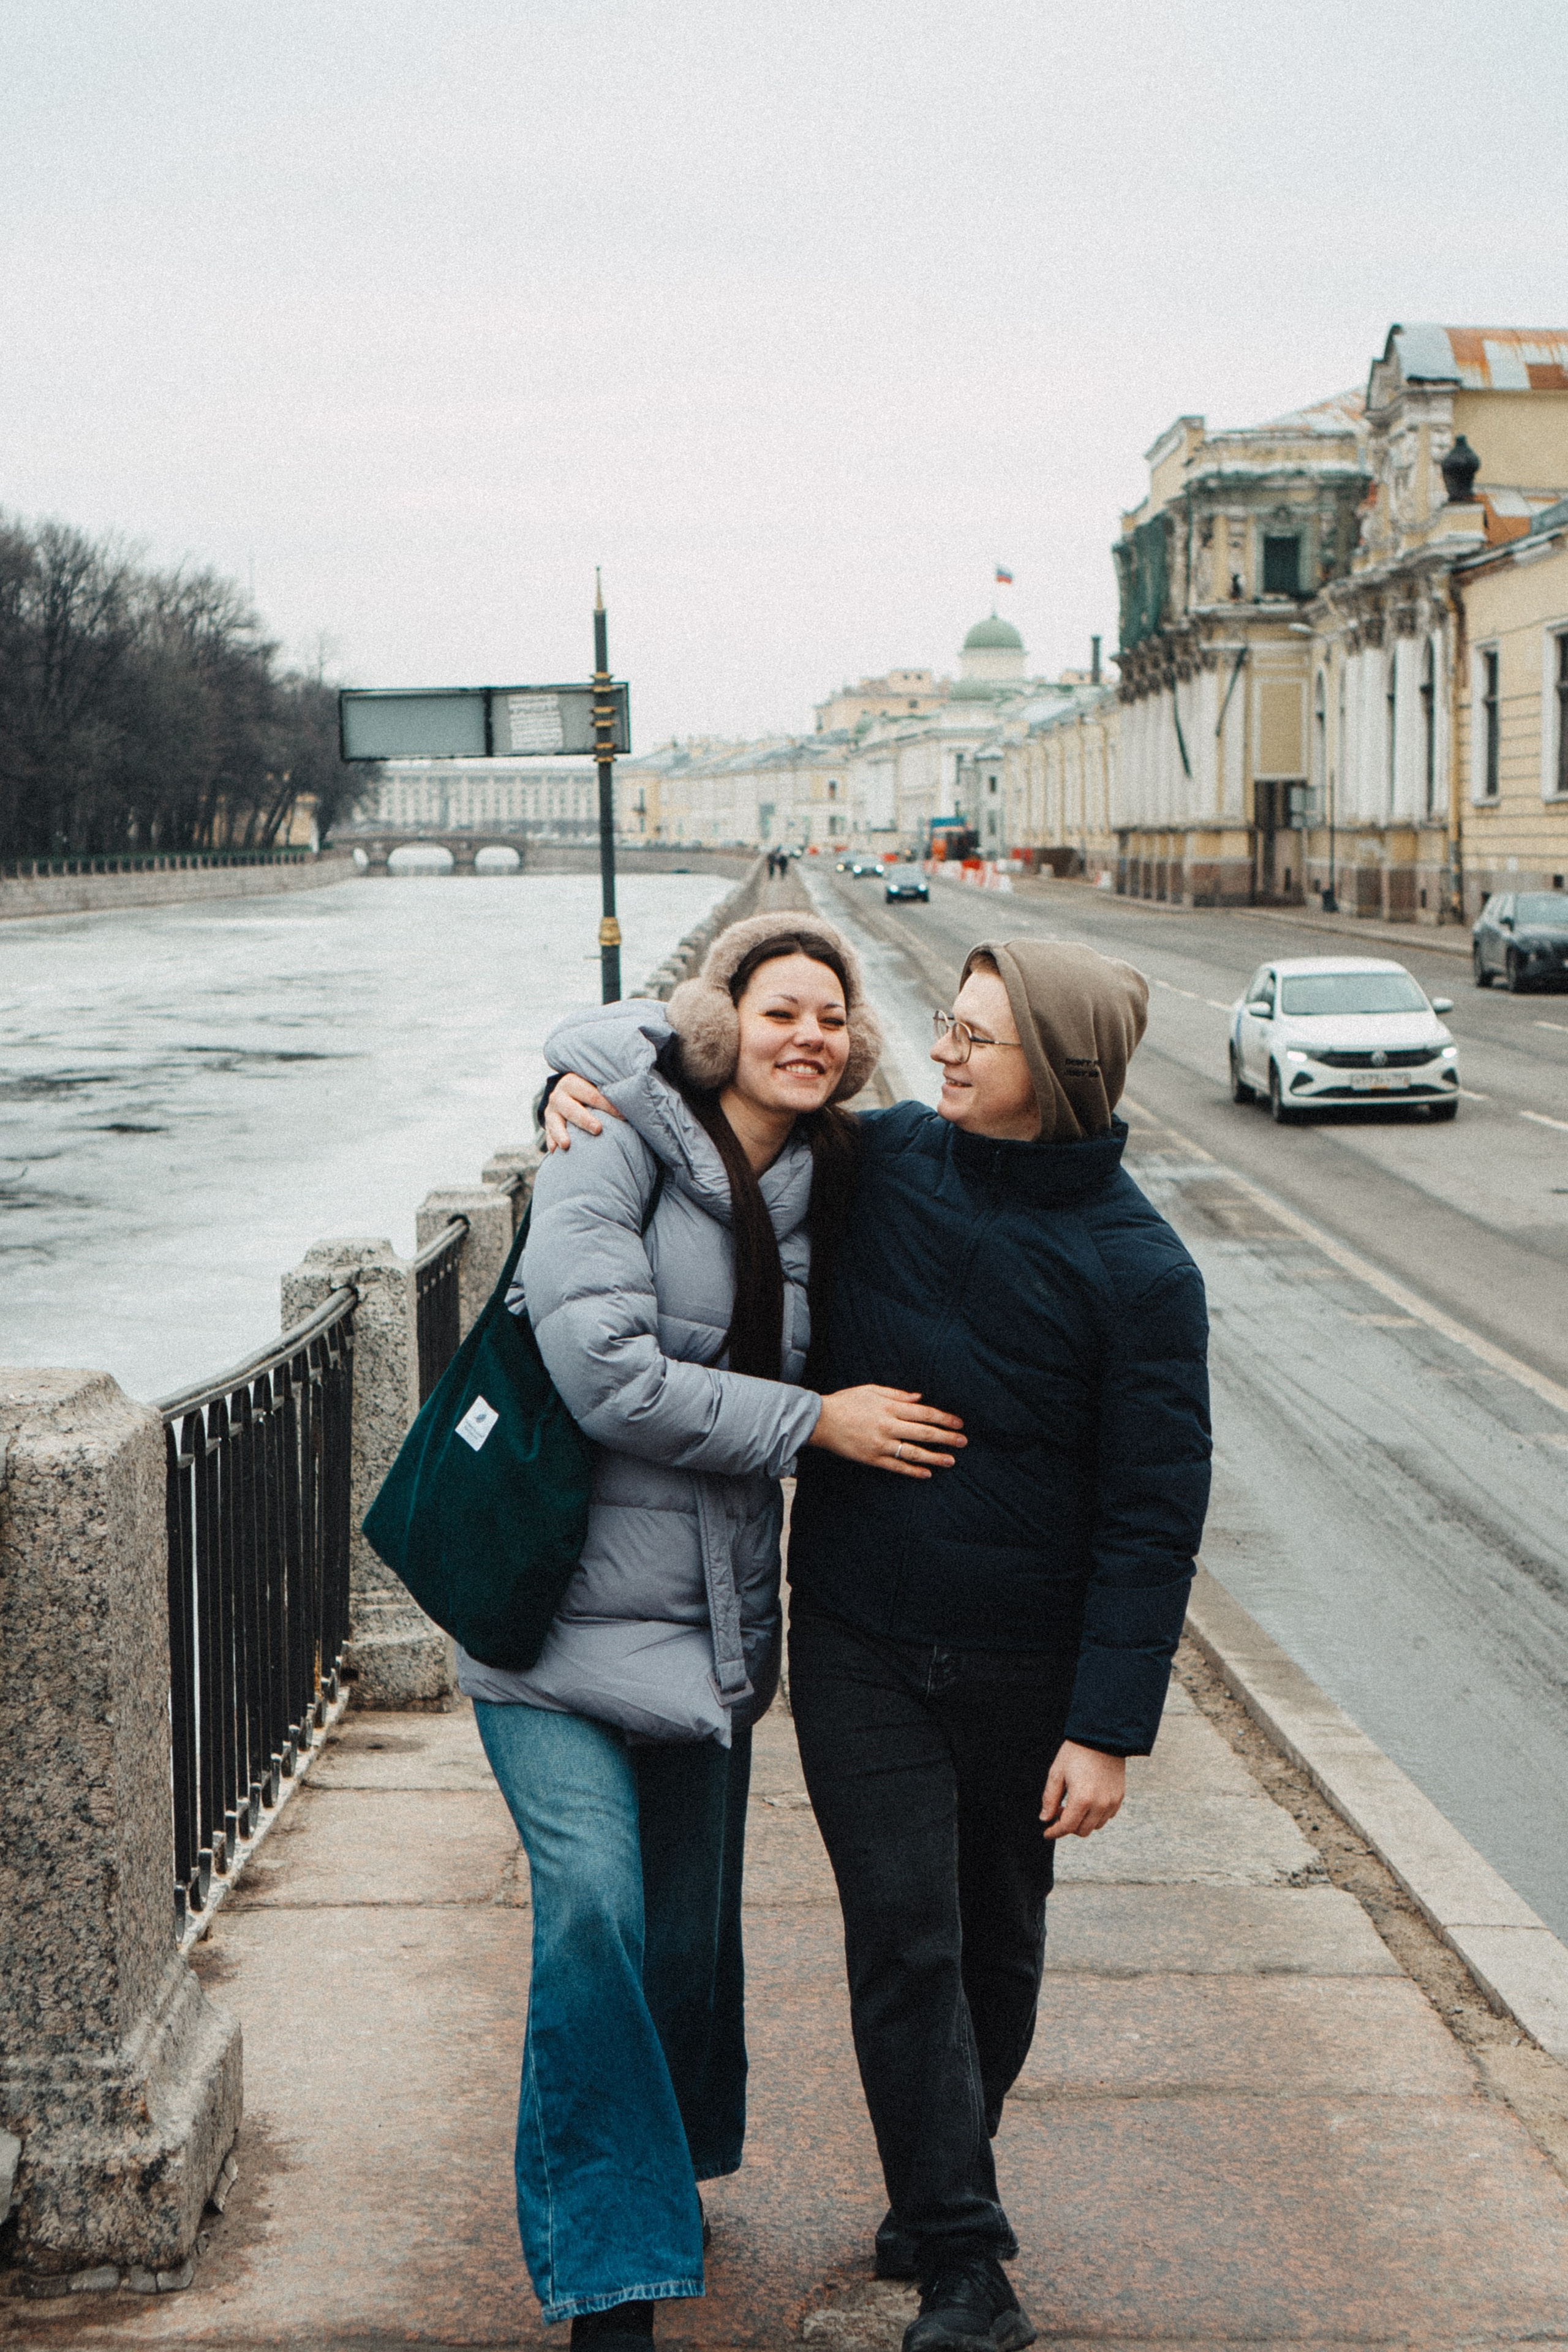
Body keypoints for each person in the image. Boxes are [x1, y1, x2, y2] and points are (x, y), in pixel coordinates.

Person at [546, 933, 1210, 2352]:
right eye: (946, 1030)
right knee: (905, 1938)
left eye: (979, 1038)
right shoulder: (884, 1160)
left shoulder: (1141, 1276)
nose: (939, 1053)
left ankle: (932, 2181)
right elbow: (694, 1069)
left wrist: (1104, 1726)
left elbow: (1152, 1517)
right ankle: (967, 2265)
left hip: (1026, 1671)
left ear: (1064, 1072)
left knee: (998, 1948)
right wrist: (566, 1085)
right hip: (858, 1638)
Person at [476, 912, 965, 2352]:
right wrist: (817, 1423)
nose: (807, 1035)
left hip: (710, 1632)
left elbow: (986, 1184)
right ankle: (611, 2276)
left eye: (832, 1016)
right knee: (591, 1917)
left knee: (680, 1942)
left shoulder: (839, 1178)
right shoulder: (613, 1137)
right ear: (719, 1023)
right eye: (779, 1011)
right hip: (550, 1623)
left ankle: (670, 2150)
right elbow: (602, 1374)